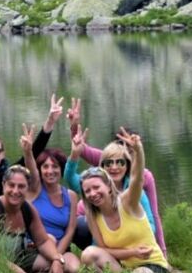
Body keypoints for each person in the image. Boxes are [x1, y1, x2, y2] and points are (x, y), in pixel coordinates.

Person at [66, 98, 167, 260]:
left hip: (132, 230)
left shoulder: (141, 181)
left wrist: (162, 250)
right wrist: (74, 127)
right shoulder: (106, 164)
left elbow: (153, 216)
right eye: (109, 163)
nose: (114, 166)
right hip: (96, 226)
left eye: (121, 160)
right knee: (83, 226)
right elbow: (80, 150)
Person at [75, 128, 171, 273]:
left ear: (108, 186)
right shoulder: (92, 214)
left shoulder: (127, 202)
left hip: (151, 265)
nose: (93, 193)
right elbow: (103, 250)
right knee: (88, 254)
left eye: (96, 188)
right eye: (88, 191)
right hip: (123, 268)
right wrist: (132, 252)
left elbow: (137, 180)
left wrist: (138, 152)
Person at [0, 164, 76, 273]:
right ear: (3, 185)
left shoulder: (27, 208)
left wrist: (57, 259)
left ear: (28, 188)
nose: (15, 191)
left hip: (21, 257)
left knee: (63, 266)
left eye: (21, 186)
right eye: (11, 185)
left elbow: (43, 241)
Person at [19, 126, 91, 255]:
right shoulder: (34, 188)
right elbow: (31, 168)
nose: (50, 171)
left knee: (74, 268)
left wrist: (57, 256)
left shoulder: (71, 196)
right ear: (40, 170)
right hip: (35, 248)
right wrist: (28, 152)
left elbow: (70, 231)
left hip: (60, 248)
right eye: (45, 167)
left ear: (61, 169)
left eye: (55, 167)